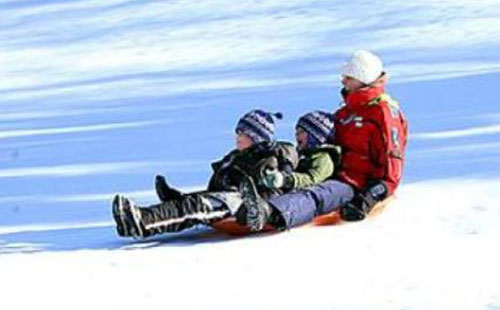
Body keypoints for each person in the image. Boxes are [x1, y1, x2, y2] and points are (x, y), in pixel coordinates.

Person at [239, 50, 409, 232]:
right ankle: (239, 199)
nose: (343, 82)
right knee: (286, 165)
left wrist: (367, 199)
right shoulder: (345, 113)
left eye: (348, 77)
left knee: (317, 195)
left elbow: (392, 171)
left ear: (363, 80)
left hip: (357, 183)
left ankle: (268, 212)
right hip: (331, 171)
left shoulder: (384, 114)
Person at [111, 109, 298, 239]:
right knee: (195, 203)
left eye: (243, 133)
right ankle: (166, 206)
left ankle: (143, 221)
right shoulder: (238, 156)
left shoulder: (268, 159)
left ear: (256, 136)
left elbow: (271, 191)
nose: (237, 136)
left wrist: (251, 201)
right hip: (227, 197)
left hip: (242, 204)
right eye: (237, 132)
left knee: (197, 207)